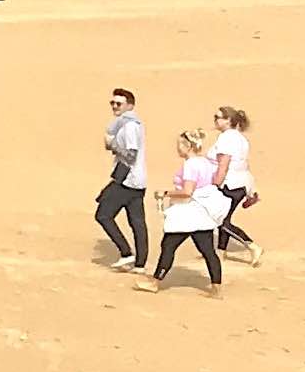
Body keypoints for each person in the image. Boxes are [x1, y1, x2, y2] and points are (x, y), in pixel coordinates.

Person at [147, 130, 228, 290]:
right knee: (208, 251)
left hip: (187, 213)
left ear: (187, 146)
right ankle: (216, 287)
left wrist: (165, 193)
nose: (177, 148)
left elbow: (187, 192)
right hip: (201, 214)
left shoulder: (191, 165)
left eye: (179, 144)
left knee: (168, 246)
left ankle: (155, 282)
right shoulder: (205, 162)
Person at [94, 88, 147, 270]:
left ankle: (126, 253)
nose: (115, 106)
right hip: (136, 181)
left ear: (130, 106)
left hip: (127, 181)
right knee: (137, 222)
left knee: (103, 215)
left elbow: (131, 155)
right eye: (113, 103)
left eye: (119, 103)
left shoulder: (129, 126)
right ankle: (140, 263)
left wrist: (113, 145)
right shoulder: (131, 124)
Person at [211, 105, 258, 258]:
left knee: (220, 220)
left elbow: (224, 162)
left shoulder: (227, 138)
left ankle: (251, 245)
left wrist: (216, 183)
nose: (215, 120)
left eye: (218, 117)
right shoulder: (240, 138)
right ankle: (221, 251)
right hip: (241, 183)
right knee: (224, 217)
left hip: (229, 184)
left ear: (228, 120)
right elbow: (244, 165)